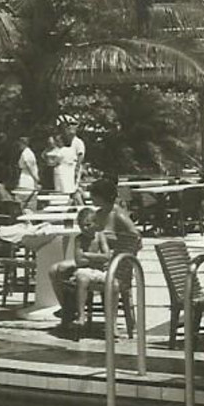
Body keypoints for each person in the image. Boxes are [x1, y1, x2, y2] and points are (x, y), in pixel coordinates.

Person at [60, 178, 142, 323]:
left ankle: (72, 310)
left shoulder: (118, 215)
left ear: (101, 196)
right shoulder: (98, 214)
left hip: (109, 263)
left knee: (63, 271)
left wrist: (117, 254)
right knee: (57, 269)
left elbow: (136, 240)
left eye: (93, 194)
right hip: (94, 259)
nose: (90, 197)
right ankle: (70, 309)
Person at [47, 130, 77, 196]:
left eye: (59, 141)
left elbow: (54, 162)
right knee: (68, 188)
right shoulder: (72, 150)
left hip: (61, 172)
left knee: (60, 189)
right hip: (70, 171)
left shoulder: (61, 151)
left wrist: (50, 162)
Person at [15, 135, 40, 209]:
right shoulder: (27, 152)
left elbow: (29, 167)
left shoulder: (26, 153)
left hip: (27, 178)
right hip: (26, 177)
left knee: (24, 200)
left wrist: (35, 178)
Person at [65, 120, 87, 194]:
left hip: (74, 165)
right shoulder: (66, 142)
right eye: (69, 127)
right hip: (66, 167)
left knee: (73, 188)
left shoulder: (78, 142)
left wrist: (77, 168)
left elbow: (80, 155)